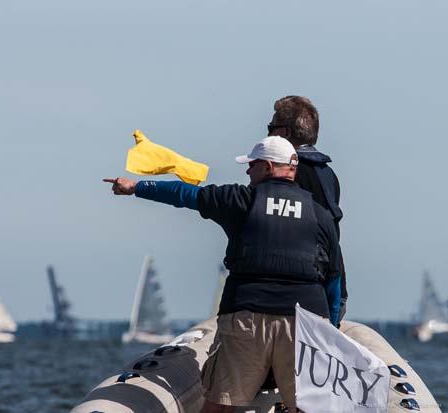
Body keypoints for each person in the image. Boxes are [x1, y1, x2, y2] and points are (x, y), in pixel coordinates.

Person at [104, 136, 341, 413]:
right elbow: (334, 278)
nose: (247, 171)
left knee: (222, 405)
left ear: (267, 167)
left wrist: (136, 187)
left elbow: (185, 195)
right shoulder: (321, 214)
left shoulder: (240, 199)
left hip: (247, 316)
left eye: (252, 165)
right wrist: (330, 331)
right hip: (305, 323)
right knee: (307, 407)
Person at [267, 96, 347, 320]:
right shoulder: (328, 175)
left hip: (304, 290)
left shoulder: (287, 173)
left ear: (284, 133)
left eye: (270, 128)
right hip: (333, 282)